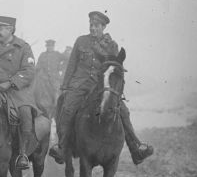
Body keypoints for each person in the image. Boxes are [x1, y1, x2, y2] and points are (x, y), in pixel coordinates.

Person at [49, 11, 154, 166]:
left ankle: (136, 147)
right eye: (91, 25)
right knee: (67, 108)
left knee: (123, 111)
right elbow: (71, 65)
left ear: (103, 27)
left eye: (96, 25)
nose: (93, 28)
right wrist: (65, 87)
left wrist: (115, 88)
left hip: (100, 85)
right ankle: (62, 147)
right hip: (79, 84)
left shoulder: (112, 45)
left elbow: (116, 68)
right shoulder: (81, 41)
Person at [0, 16, 38, 170]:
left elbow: (29, 70)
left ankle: (23, 154)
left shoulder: (23, 47)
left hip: (17, 92)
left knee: (25, 113)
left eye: (1, 28)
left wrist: (10, 83)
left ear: (11, 29)